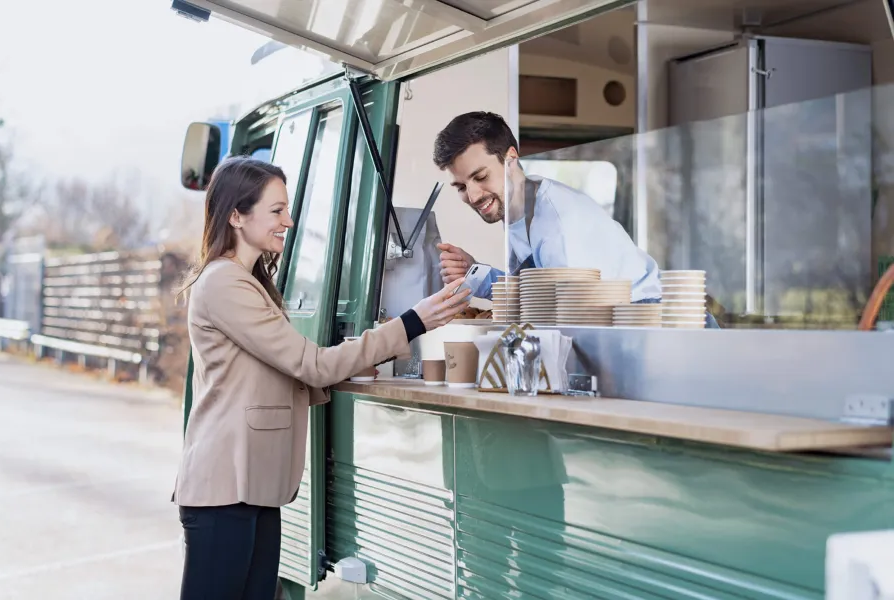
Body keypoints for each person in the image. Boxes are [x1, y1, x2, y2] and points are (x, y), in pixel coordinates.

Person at [172, 156, 471, 600]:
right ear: (236, 215)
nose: (288, 221)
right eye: (276, 210)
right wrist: (412, 322)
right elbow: (309, 364)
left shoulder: (247, 282)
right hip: (225, 489)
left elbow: (288, 368)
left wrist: (350, 361)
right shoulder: (224, 284)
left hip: (250, 486)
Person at [433, 111, 661, 303]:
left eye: (481, 177)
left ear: (511, 159)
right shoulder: (517, 203)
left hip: (637, 315)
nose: (473, 196)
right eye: (461, 187)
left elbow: (564, 310)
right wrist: (475, 273)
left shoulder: (556, 222)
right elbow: (540, 293)